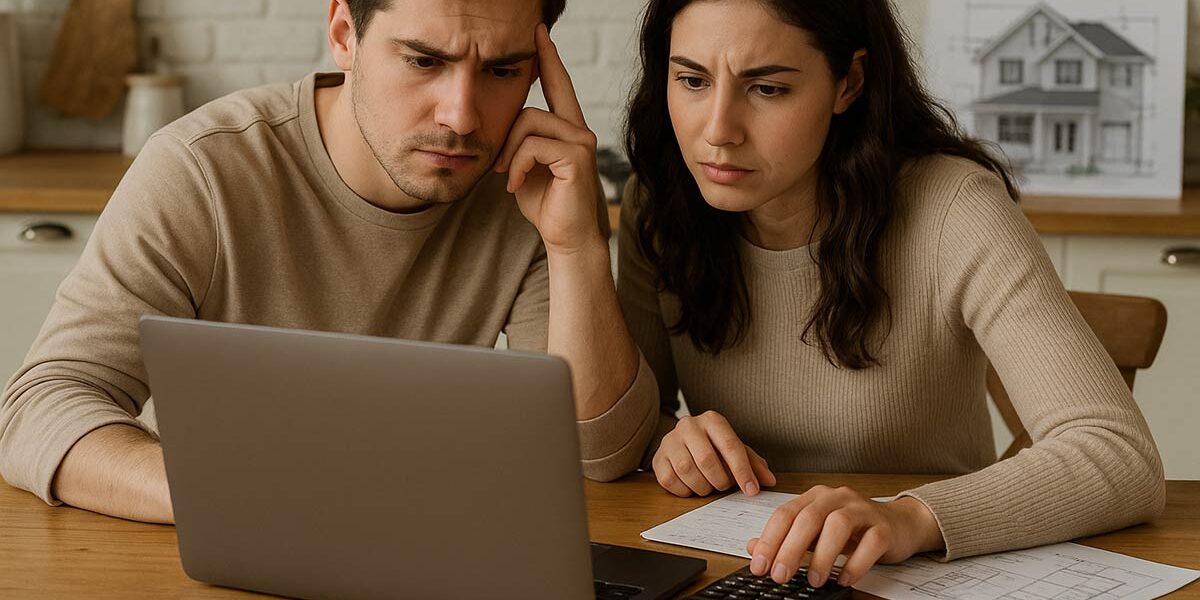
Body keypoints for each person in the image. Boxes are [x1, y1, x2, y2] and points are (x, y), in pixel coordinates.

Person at [0, 0, 659, 523]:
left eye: (502, 71)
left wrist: (574, 247)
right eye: (425, 61)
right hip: (216, 558)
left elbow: (601, 453)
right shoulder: (203, 170)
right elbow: (41, 406)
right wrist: (225, 498)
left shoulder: (527, 192)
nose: (461, 116)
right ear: (345, 34)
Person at [616, 0, 1165, 589]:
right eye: (692, 80)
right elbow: (626, 432)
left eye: (768, 89)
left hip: (917, 576)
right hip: (742, 569)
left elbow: (1118, 454)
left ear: (848, 82)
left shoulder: (955, 206)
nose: (718, 129)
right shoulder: (659, 207)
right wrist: (666, 442)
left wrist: (909, 517)